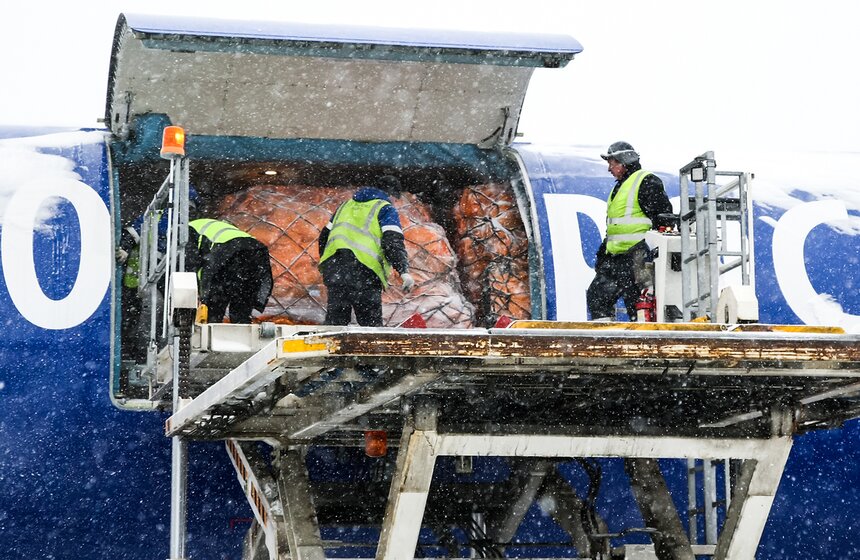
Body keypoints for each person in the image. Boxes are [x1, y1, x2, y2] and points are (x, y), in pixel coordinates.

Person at [587, 141, 673, 321]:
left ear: (624, 162)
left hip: (636, 258)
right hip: (616, 259)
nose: (609, 168)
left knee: (638, 307)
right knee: (597, 297)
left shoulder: (646, 181)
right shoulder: (619, 187)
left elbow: (663, 220)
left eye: (612, 163)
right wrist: (604, 253)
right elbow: (616, 228)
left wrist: (646, 254)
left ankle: (639, 345)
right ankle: (606, 342)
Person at [318, 175, 415, 326]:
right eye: (395, 199)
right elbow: (392, 241)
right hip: (364, 273)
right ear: (390, 194)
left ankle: (332, 349)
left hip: (336, 271)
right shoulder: (385, 208)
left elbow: (324, 237)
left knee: (335, 325)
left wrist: (330, 263)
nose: (394, 203)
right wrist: (403, 271)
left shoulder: (345, 205)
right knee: (371, 328)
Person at [186, 219, 273, 324]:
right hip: (256, 249)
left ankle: (212, 333)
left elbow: (191, 263)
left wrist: (201, 293)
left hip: (227, 250)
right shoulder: (224, 227)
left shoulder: (188, 229)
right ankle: (241, 335)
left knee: (214, 307)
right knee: (241, 307)